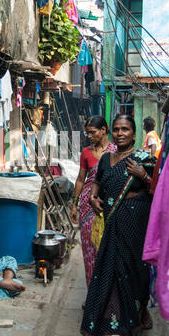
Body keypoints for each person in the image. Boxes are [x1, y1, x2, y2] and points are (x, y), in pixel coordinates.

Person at [80, 114, 157, 336]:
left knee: (137, 271)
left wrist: (142, 175)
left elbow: (158, 189)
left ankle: (140, 309)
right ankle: (111, 327)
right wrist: (93, 198)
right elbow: (96, 183)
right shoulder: (106, 159)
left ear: (134, 134)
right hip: (111, 221)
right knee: (110, 272)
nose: (120, 133)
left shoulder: (145, 158)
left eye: (125, 129)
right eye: (116, 129)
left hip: (136, 220)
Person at [70, 116, 116, 292]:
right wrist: (74, 204)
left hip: (109, 204)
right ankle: (92, 295)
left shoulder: (115, 151)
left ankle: (107, 293)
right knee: (90, 251)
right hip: (88, 206)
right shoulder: (86, 152)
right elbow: (81, 180)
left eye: (93, 132)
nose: (89, 135)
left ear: (103, 130)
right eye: (87, 132)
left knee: (107, 250)